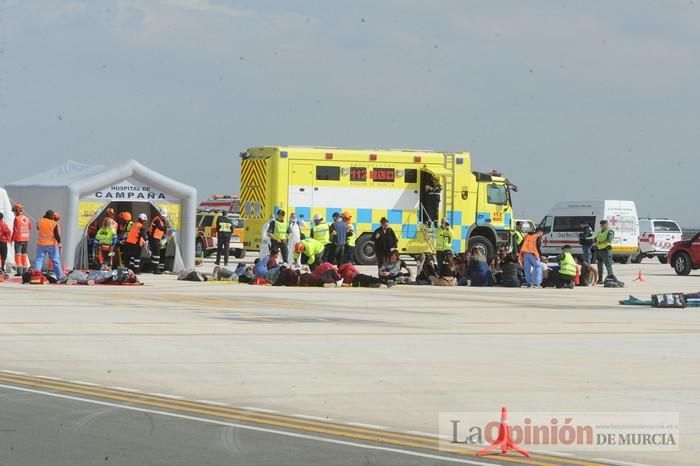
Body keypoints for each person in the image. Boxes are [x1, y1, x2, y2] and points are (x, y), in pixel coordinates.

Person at [33, 210, 64, 280]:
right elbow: (56, 235)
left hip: (41, 244)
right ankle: (60, 276)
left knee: (39, 260)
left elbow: (38, 228)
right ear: (52, 216)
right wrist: (60, 243)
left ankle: (36, 275)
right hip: (51, 245)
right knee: (55, 261)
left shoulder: (40, 221)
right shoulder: (53, 223)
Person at [148, 209, 171, 274]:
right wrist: (167, 228)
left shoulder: (161, 220)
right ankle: (156, 269)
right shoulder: (157, 219)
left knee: (156, 254)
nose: (163, 217)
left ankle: (154, 268)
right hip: (154, 238)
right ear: (160, 214)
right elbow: (160, 228)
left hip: (157, 238)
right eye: (163, 216)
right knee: (157, 254)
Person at [11, 204, 31, 276]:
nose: (14, 213)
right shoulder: (27, 218)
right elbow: (29, 228)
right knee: (24, 255)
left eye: (14, 211)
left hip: (18, 239)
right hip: (26, 238)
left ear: (17, 210)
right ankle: (25, 271)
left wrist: (12, 239)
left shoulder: (17, 219)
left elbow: (15, 230)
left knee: (18, 255)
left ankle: (19, 272)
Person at [594, 220, 615, 284]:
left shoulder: (610, 231)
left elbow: (609, 240)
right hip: (599, 250)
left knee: (608, 265)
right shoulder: (600, 231)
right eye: (601, 225)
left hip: (606, 250)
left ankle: (610, 278)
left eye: (603, 225)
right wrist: (595, 241)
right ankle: (600, 279)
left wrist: (599, 242)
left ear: (606, 224)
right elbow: (595, 238)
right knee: (599, 266)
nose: (602, 226)